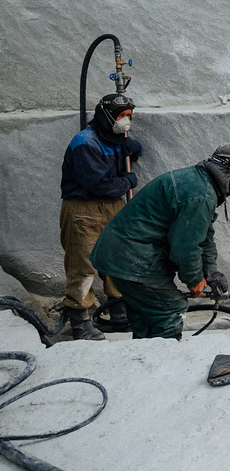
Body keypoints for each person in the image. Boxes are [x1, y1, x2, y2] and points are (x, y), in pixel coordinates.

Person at [90, 144, 230, 340]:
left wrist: (210, 271)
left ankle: (144, 362)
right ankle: (162, 364)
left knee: (145, 318)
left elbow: (204, 234)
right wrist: (194, 280)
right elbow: (185, 249)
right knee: (169, 310)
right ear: (228, 174)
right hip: (133, 257)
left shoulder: (199, 181)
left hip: (120, 253)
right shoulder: (200, 195)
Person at [59, 93, 143, 340]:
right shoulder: (85, 142)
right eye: (121, 116)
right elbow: (102, 184)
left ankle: (118, 312)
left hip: (111, 208)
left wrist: (131, 151)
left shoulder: (113, 137)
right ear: (107, 116)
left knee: (115, 261)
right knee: (82, 267)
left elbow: (116, 166)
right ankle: (80, 322)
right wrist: (127, 180)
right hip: (84, 210)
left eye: (128, 116)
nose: (125, 121)